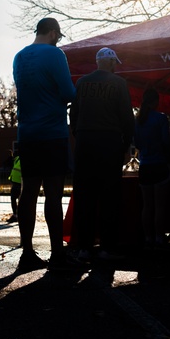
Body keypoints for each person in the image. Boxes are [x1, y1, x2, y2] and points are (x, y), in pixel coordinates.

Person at [12, 16, 79, 271]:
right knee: (53, 194)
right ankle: (57, 253)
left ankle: (26, 251)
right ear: (53, 33)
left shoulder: (19, 56)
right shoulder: (55, 55)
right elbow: (69, 93)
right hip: (52, 132)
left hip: (27, 133)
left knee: (28, 193)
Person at [69, 47, 134, 261]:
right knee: (109, 197)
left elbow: (74, 115)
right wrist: (126, 146)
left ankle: (84, 247)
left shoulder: (82, 83)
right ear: (112, 63)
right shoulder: (119, 84)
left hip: (86, 143)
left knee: (85, 196)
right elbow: (126, 117)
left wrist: (81, 136)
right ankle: (107, 248)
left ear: (97, 63)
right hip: (110, 143)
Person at [134, 88, 170, 248]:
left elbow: (137, 144)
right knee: (159, 206)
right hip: (160, 165)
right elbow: (166, 143)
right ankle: (159, 237)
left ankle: (148, 237)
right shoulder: (161, 118)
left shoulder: (138, 120)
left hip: (145, 166)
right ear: (155, 101)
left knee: (147, 206)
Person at [7, 148, 22, 223]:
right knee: (18, 200)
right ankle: (17, 215)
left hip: (18, 183)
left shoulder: (18, 160)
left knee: (14, 199)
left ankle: (16, 215)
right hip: (18, 183)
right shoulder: (17, 160)